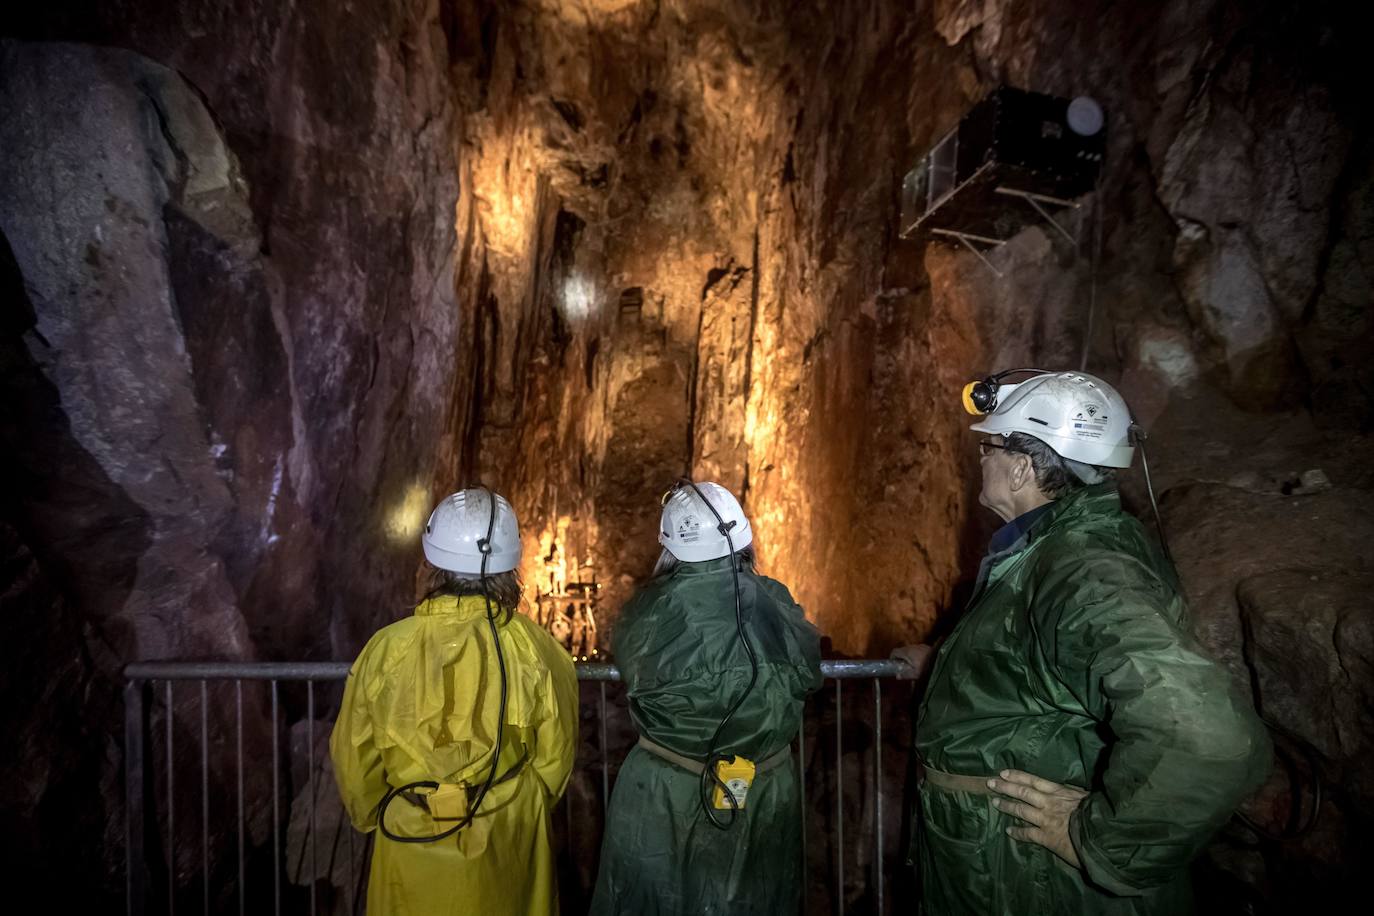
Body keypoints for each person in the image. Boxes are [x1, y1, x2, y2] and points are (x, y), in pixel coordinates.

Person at [893, 371, 1270, 915]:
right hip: (1003, 866)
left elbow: (1208, 736)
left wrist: (1102, 839)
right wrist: (943, 667)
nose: (980, 458)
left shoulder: (1083, 571)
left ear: (1021, 467)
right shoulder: (1053, 551)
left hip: (1034, 879)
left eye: (989, 446)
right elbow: (1041, 670)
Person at [330, 488, 579, 915]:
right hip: (508, 837)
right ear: (510, 568)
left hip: (411, 838)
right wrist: (518, 803)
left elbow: (356, 760)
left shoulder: (385, 650)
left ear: (430, 562)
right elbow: (555, 757)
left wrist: (372, 815)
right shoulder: (537, 648)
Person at [590, 481, 822, 915]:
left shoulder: (651, 610)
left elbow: (634, 671)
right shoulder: (775, 601)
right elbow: (809, 673)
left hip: (668, 793)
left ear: (669, 548)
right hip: (764, 790)